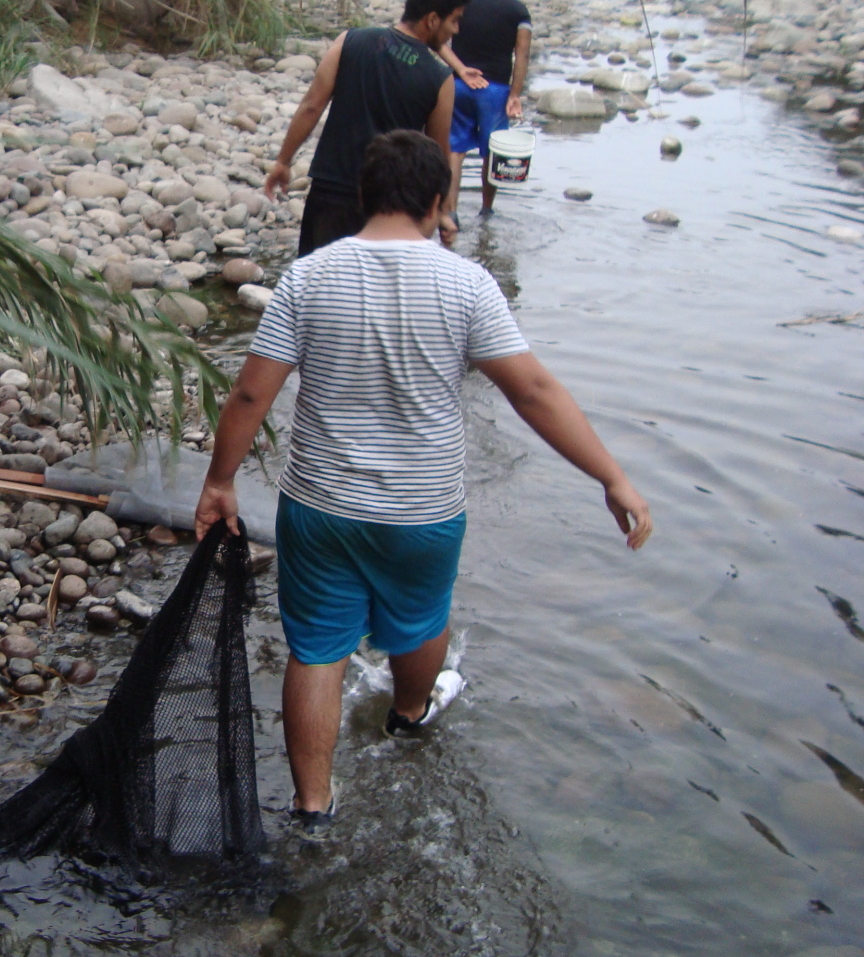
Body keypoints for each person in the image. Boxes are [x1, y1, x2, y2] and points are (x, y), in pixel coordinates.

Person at [195, 131, 652, 840]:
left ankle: (313, 808)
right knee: (420, 618)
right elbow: (531, 390)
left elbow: (252, 397)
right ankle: (408, 717)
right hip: (422, 510)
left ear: (361, 197)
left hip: (319, 504)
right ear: (440, 202)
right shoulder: (468, 284)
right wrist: (612, 476)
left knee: (317, 647)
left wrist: (220, 481)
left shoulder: (309, 276)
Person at [264, 0, 470, 258]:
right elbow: (438, 155)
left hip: (330, 190)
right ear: (433, 20)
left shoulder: (350, 40)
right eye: (454, 20)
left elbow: (312, 105)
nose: (456, 31)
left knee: (318, 281)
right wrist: (444, 212)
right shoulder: (439, 78)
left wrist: (283, 161)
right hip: (390, 206)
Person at [440, 0, 533, 221]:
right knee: (492, 152)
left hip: (460, 85)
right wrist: (515, 95)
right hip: (495, 91)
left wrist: (460, 69)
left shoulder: (462, 3)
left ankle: (451, 212)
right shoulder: (518, 11)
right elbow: (522, 55)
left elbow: (439, 42)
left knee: (456, 150)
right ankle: (486, 210)